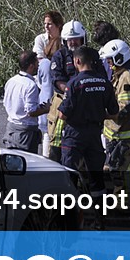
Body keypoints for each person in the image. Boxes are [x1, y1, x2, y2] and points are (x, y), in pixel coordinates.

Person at [58, 46, 118, 204]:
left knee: (69, 174)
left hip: (74, 135)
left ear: (77, 61)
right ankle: (100, 217)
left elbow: (63, 114)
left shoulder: (74, 83)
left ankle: (70, 213)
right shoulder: (105, 82)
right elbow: (114, 112)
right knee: (97, 177)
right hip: (94, 135)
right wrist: (97, 113)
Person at [100, 39, 130, 208]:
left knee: (123, 170)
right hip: (118, 132)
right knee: (122, 169)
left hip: (124, 133)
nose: (109, 63)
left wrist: (103, 115)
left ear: (119, 57)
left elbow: (125, 110)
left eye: (110, 59)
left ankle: (126, 204)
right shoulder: (124, 73)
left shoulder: (126, 77)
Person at [47, 19, 87, 162]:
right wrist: (73, 94)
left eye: (76, 39)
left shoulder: (91, 55)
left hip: (85, 105)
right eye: (69, 40)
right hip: (62, 104)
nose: (72, 43)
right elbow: (58, 81)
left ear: (83, 39)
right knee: (56, 147)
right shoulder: (59, 56)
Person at [3, 51, 49, 154]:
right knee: (28, 164)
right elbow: (31, 112)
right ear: (31, 66)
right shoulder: (31, 85)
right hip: (26, 133)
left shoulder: (11, 81)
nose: (38, 66)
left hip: (11, 128)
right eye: (37, 64)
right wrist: (46, 109)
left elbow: (6, 103)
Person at [33, 11, 64, 146]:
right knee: (46, 66)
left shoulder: (64, 39)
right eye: (45, 24)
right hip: (45, 78)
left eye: (50, 24)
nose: (46, 27)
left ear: (58, 25)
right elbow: (39, 60)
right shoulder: (40, 39)